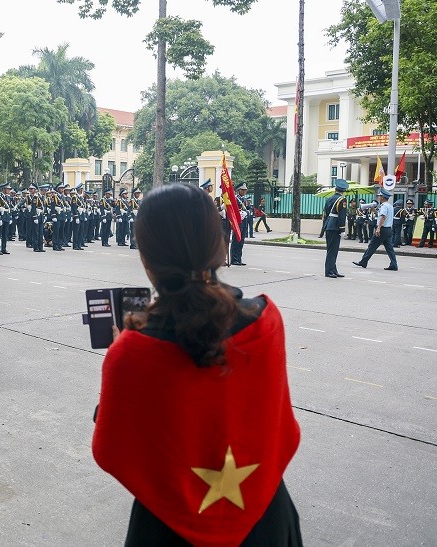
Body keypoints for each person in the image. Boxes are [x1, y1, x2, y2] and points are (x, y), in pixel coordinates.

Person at [92, 183, 302, 546]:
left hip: (167, 531)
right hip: (266, 519)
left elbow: (113, 442)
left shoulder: (130, 352)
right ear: (219, 243)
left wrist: (122, 356)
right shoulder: (267, 319)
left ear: (146, 256)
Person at [353, 189, 398, 271]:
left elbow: (383, 217)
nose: (379, 198)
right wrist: (373, 209)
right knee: (389, 248)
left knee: (372, 246)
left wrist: (378, 228)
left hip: (383, 229)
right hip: (388, 229)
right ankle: (394, 264)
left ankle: (363, 262)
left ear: (383, 197)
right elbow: (380, 215)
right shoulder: (389, 206)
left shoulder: (384, 206)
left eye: (380, 196)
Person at [321, 178, 348, 278]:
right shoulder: (342, 200)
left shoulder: (329, 199)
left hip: (329, 225)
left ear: (335, 189)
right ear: (344, 190)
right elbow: (342, 215)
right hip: (335, 227)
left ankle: (333, 269)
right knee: (333, 250)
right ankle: (329, 271)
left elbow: (327, 213)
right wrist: (342, 229)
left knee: (331, 249)